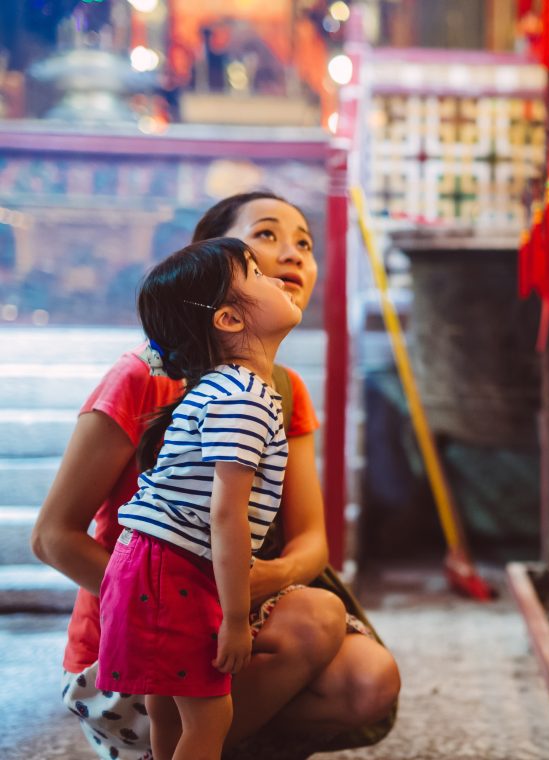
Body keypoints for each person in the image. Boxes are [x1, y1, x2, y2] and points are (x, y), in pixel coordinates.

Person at [31, 192, 400, 760]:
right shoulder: (143, 378)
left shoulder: (281, 389)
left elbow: (311, 545)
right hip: (130, 643)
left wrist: (234, 594)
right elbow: (52, 538)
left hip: (220, 603)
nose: (293, 254)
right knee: (313, 619)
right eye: (264, 240)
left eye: (304, 242)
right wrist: (170, 597)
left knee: (366, 679)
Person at [99, 236, 301, 759]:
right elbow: (226, 514)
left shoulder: (221, 386)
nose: (278, 276)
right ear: (229, 320)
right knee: (210, 716)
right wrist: (236, 620)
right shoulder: (243, 397)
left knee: (168, 707)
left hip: (149, 560)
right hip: (176, 567)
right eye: (256, 273)